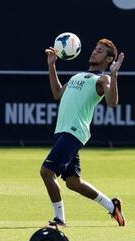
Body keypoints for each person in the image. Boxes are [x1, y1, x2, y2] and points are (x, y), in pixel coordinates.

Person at [41, 38, 126, 228]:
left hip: (74, 131)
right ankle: (112, 206)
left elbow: (112, 103)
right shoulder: (76, 76)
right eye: (95, 48)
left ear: (109, 59)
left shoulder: (103, 79)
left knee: (47, 172)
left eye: (101, 51)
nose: (95, 52)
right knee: (72, 182)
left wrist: (114, 75)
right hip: (62, 131)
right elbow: (57, 93)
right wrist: (52, 66)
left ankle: (59, 219)